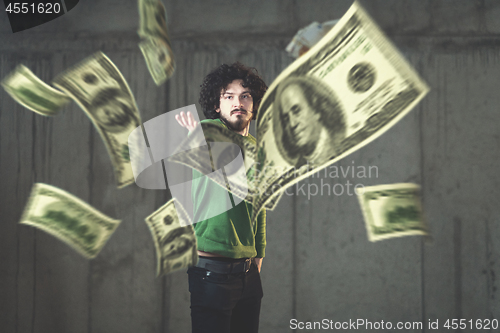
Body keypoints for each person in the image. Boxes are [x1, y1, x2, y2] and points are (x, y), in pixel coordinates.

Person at [175, 62, 268, 333]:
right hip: (212, 273)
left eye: (245, 95)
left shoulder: (258, 151)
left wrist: (258, 256)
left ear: (254, 104)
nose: (237, 102)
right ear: (217, 105)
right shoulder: (207, 131)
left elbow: (259, 210)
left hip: (249, 275)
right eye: (228, 96)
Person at [273, 75, 347, 167]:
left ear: (316, 109)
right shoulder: (299, 167)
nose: (292, 124)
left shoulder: (344, 147)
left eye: (297, 111)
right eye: (286, 119)